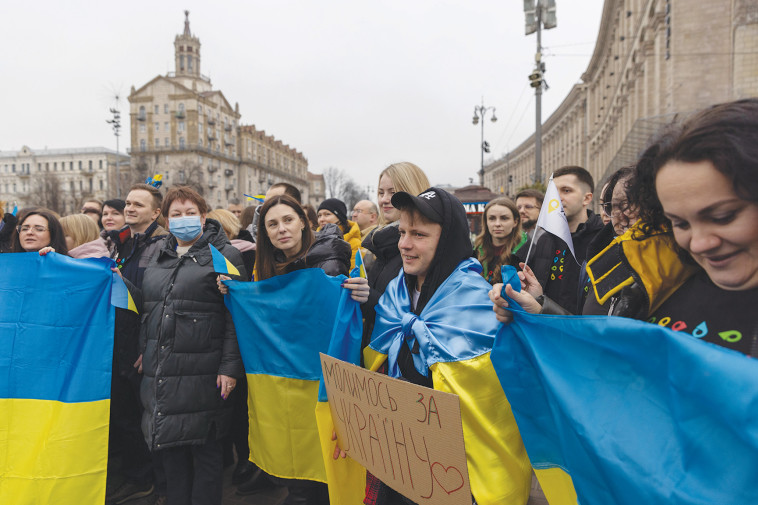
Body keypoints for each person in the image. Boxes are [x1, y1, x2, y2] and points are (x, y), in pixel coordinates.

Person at [493, 98, 758, 357]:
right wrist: (538, 307)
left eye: (724, 216)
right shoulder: (659, 278)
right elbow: (600, 353)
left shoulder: (655, 271)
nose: (699, 243)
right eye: (680, 223)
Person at [360, 187, 531, 505]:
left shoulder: (480, 302)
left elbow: (494, 406)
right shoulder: (398, 288)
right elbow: (378, 361)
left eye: (419, 234)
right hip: (401, 456)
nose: (405, 244)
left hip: (458, 474)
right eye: (402, 232)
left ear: (447, 239)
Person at [219, 194, 365, 503]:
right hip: (288, 381)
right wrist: (235, 293)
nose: (281, 229)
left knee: (326, 458)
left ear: (303, 221)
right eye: (272, 224)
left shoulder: (328, 256)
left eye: (287, 220)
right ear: (264, 232)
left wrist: (364, 293)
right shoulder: (266, 267)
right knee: (299, 464)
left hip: (325, 377)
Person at [139, 186, 247, 505]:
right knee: (172, 457)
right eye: (176, 214)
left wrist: (229, 368)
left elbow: (236, 318)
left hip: (205, 372)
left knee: (206, 456)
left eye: (190, 213)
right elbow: (151, 306)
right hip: (164, 372)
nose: (183, 219)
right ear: (165, 219)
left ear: (203, 216)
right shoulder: (159, 255)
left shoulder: (224, 256)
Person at [106, 183, 168, 505]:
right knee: (126, 416)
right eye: (128, 203)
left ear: (156, 212)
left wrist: (148, 346)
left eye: (138, 205)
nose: (129, 208)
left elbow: (157, 302)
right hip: (122, 342)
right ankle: (138, 478)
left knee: (145, 420)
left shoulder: (160, 247)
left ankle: (154, 484)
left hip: (143, 346)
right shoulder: (123, 244)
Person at [361, 162, 430, 350]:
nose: (384, 199)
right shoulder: (381, 242)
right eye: (381, 192)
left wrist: (366, 296)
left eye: (392, 192)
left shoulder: (422, 250)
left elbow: (412, 317)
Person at [529, 166, 604, 313]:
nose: (557, 197)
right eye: (553, 192)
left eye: (566, 191)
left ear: (587, 198)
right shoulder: (545, 239)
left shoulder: (602, 238)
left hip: (583, 331)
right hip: (546, 327)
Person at [474, 197, 530, 284]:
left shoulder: (527, 252)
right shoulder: (475, 250)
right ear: (486, 222)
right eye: (492, 218)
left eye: (504, 218)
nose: (497, 224)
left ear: (515, 222)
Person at [317, 198, 362, 269]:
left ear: (339, 217)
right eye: (319, 215)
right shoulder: (313, 240)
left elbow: (353, 274)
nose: (321, 219)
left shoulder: (354, 243)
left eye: (327, 214)